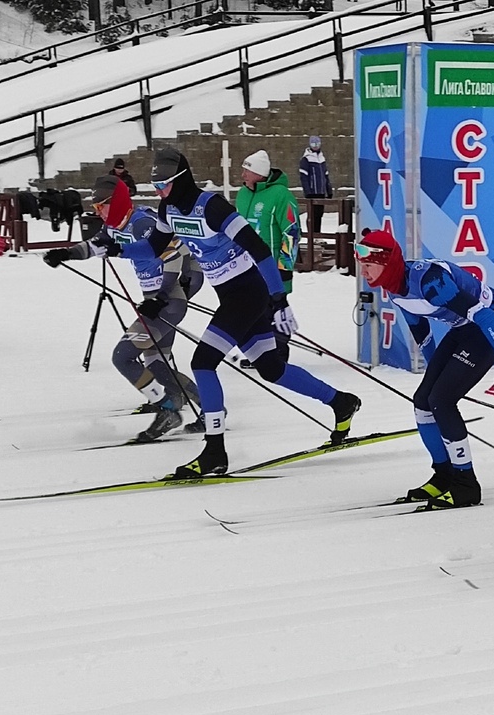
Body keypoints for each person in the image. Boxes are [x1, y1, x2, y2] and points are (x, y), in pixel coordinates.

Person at [116, 147, 361, 478]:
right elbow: (152, 247)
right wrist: (116, 247)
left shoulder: (212, 207)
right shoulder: (168, 208)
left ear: (180, 180)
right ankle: (341, 402)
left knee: (202, 362)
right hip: (232, 295)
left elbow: (258, 248)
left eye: (164, 185)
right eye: (155, 186)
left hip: (247, 293)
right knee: (271, 369)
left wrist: (279, 300)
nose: (159, 192)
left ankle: (214, 450)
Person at [354, 230, 494, 510]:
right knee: (423, 400)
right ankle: (444, 475)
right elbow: (423, 334)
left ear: (386, 262)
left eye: (368, 265)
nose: (364, 272)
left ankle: (466, 484)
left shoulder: (429, 281)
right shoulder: (393, 287)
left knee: (442, 400)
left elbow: (487, 315)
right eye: (362, 266)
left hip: (488, 328)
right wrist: (437, 372)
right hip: (463, 330)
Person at [43, 175, 204, 441]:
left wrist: (162, 297)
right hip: (157, 299)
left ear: (116, 202)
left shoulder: (141, 223)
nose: (99, 212)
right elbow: (97, 246)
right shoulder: (115, 224)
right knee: (157, 365)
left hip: (169, 298)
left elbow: (172, 254)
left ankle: (168, 409)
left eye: (102, 205)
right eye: (95, 208)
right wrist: (66, 253)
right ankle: (210, 409)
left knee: (123, 355)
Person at [236, 149, 300, 365]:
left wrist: (284, 266)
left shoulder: (281, 195)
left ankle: (278, 354)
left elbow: (291, 232)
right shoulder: (242, 194)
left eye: (248, 170)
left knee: (274, 309)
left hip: (271, 265)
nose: (243, 174)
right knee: (252, 311)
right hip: (246, 267)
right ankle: (260, 353)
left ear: (260, 174)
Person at [298, 135, 331, 236]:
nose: (315, 146)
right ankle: (312, 236)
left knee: (319, 215)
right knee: (312, 215)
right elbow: (304, 177)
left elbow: (326, 175)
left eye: (317, 144)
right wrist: (308, 192)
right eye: (313, 144)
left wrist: (329, 190)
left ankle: (318, 234)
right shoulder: (306, 159)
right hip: (312, 192)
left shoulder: (322, 158)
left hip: (321, 192)